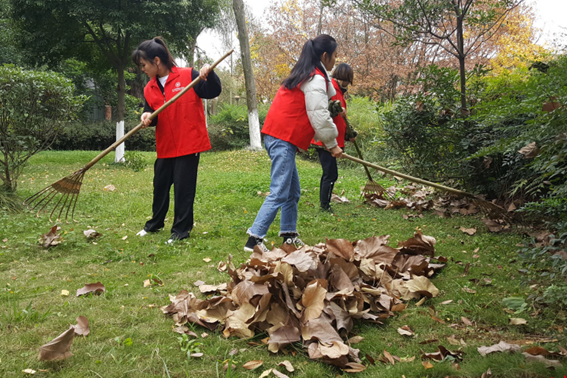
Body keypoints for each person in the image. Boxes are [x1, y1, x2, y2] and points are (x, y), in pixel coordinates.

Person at [244, 34, 342, 253]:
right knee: (279, 191)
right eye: (335, 56)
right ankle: (254, 238)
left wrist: (329, 141)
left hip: (278, 137)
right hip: (281, 139)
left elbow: (315, 113)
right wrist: (332, 143)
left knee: (292, 192)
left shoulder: (304, 75)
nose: (336, 60)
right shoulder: (314, 78)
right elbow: (319, 115)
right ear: (325, 56)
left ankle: (289, 234)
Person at [131, 37, 222, 243]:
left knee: (183, 188)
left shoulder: (188, 76)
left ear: (156, 61)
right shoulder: (149, 88)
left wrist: (210, 74)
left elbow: (213, 91)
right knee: (160, 185)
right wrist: (146, 117)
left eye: (143, 65)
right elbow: (151, 112)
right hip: (165, 146)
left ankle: (181, 230)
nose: (142, 69)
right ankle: (155, 224)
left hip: (189, 144)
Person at [312, 63, 356, 213]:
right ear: (343, 77)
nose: (348, 85)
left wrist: (350, 134)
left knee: (331, 173)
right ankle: (324, 205)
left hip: (333, 139)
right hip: (324, 140)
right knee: (330, 173)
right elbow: (323, 112)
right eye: (348, 80)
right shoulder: (331, 90)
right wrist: (337, 110)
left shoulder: (340, 93)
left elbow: (341, 120)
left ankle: (325, 203)